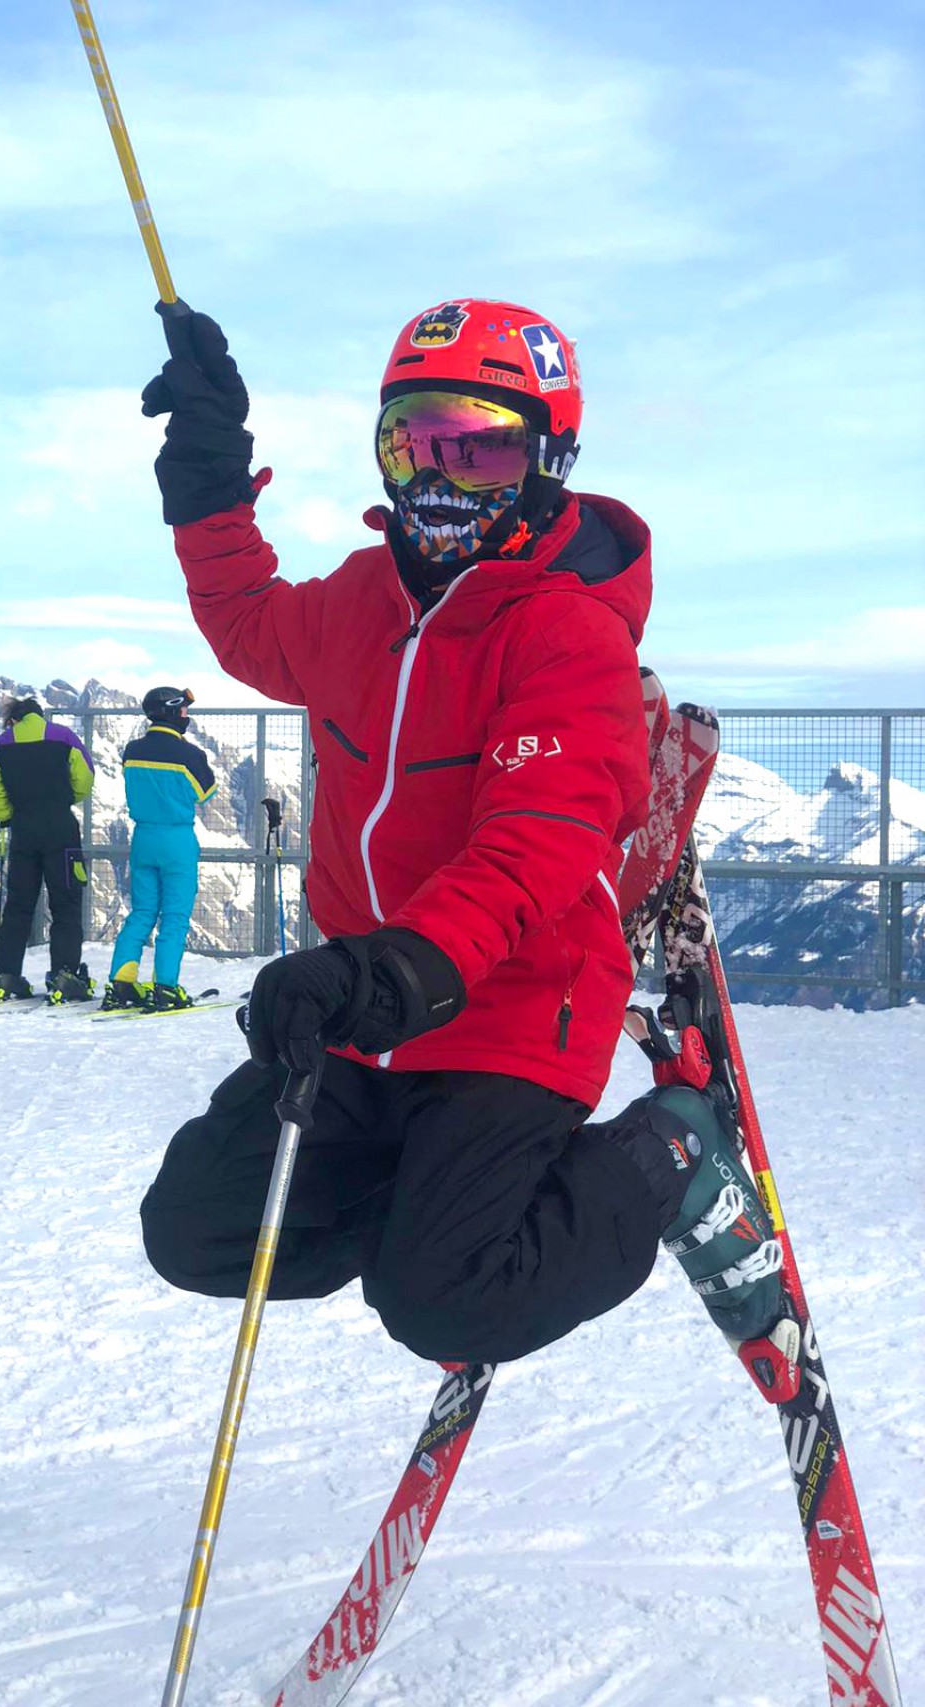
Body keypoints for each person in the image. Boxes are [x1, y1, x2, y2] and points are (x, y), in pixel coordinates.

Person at [135, 299, 783, 1369]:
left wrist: (379, 972)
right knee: (200, 1228)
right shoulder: (360, 600)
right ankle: (426, 1217)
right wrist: (208, 484)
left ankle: (664, 1156)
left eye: (478, 449)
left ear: (547, 460)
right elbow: (247, 619)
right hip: (366, 1013)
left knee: (446, 1302)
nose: (437, 479)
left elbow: (533, 845)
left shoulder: (566, 632)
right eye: (412, 442)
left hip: (513, 1010)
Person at [101, 686, 217, 1013]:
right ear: (171, 712)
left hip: (142, 838)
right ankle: (165, 987)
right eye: (183, 710)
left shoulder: (132, 750)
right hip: (176, 839)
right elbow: (206, 793)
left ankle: (121, 982)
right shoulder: (190, 755)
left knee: (142, 912)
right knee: (175, 917)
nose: (186, 716)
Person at [0, 695, 95, 1004]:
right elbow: (85, 778)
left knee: (18, 905)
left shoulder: (2, 744)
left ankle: (7, 975)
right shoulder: (65, 737)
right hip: (61, 829)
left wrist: (11, 814)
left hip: (23, 831)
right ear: (39, 716)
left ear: (13, 719)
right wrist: (63, 799)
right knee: (66, 905)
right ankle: (65, 974)